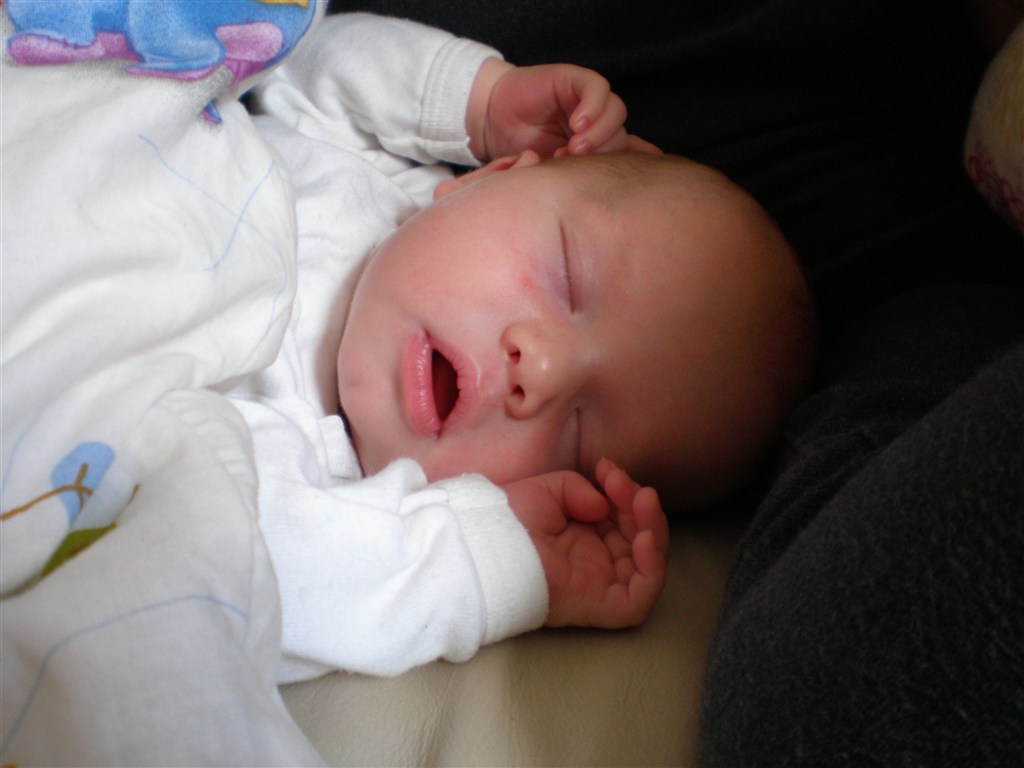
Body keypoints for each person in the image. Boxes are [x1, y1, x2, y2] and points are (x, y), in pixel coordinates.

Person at [230, 12, 815, 681]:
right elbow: (286, 57)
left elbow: (247, 591)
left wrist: (501, 562)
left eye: (578, 438)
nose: (542, 369)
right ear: (489, 177)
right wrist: (479, 102)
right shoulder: (368, 173)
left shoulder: (340, 513)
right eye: (567, 277)